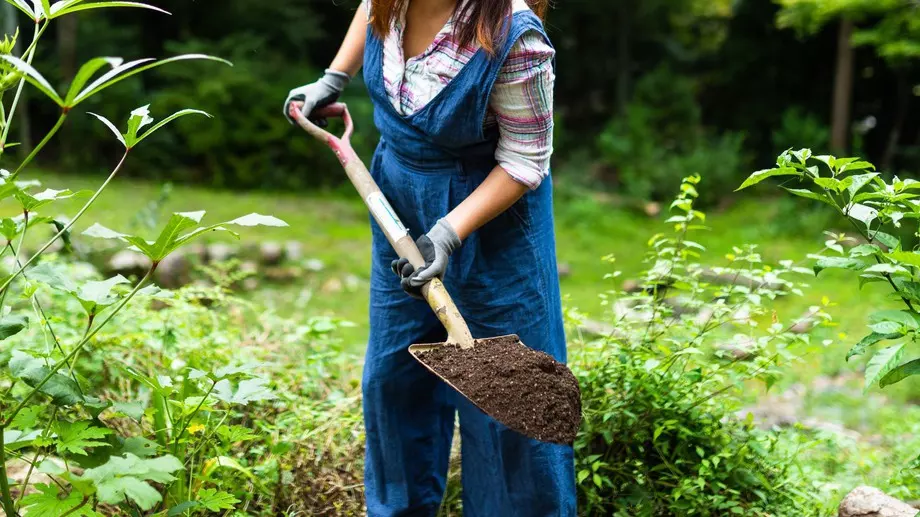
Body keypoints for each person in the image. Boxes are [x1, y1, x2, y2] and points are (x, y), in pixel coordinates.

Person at [283, 0, 574, 514]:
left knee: (508, 406)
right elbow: (370, 11)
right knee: (393, 382)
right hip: (398, 197)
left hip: (489, 220)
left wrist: (445, 234)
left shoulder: (514, 34)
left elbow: (528, 158)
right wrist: (333, 76)